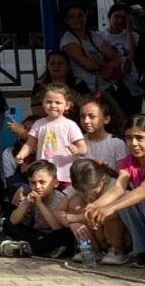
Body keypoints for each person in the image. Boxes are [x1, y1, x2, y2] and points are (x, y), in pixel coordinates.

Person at [85, 114, 145, 268]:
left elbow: (142, 190)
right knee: (125, 199)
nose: (134, 143)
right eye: (129, 138)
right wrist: (95, 205)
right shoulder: (128, 162)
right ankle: (142, 252)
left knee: (128, 200)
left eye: (139, 138)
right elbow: (118, 187)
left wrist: (110, 207)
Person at [55, 158, 130, 265]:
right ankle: (90, 250)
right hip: (96, 235)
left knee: (108, 214)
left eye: (92, 189)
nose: (87, 194)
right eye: (82, 191)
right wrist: (73, 224)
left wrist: (76, 218)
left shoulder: (112, 186)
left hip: (116, 235)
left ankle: (118, 251)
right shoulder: (77, 188)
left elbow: (106, 212)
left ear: (102, 180)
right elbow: (57, 211)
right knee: (75, 205)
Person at [16, 83, 88, 189]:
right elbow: (30, 144)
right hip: (44, 174)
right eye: (49, 102)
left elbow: (83, 147)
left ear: (67, 105)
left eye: (58, 102)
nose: (53, 105)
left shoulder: (70, 125)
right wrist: (22, 154)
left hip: (66, 174)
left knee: (65, 200)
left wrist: (77, 150)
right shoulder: (39, 123)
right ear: (43, 103)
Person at [0, 160, 75, 259]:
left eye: (42, 182)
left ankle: (28, 249)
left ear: (55, 183)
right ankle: (32, 248)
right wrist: (25, 203)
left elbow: (57, 227)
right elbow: (13, 221)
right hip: (36, 234)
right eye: (33, 183)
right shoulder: (31, 195)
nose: (37, 187)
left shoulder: (61, 199)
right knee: (7, 224)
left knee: (64, 235)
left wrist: (40, 204)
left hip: (54, 234)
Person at [61, 4, 120, 94]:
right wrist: (106, 66)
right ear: (66, 20)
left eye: (80, 15)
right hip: (85, 91)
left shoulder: (94, 36)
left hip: (107, 87)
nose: (77, 19)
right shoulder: (68, 40)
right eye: (72, 17)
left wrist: (103, 66)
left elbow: (115, 58)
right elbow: (88, 65)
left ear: (86, 17)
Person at [100, 3, 144, 117]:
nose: (120, 20)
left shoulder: (133, 36)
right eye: (116, 17)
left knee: (133, 116)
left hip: (131, 83)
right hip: (110, 83)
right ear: (110, 17)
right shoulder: (100, 36)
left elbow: (131, 55)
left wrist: (129, 31)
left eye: (123, 18)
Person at [30, 51, 91, 117]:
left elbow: (88, 107)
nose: (56, 66)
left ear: (68, 67)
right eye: (52, 64)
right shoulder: (40, 85)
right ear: (47, 67)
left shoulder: (79, 84)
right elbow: (36, 111)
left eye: (60, 63)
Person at [79, 94, 129, 170]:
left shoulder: (117, 144)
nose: (86, 121)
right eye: (83, 116)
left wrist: (104, 168)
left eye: (92, 117)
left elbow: (123, 175)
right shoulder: (78, 141)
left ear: (106, 119)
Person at [2, 115, 42, 193]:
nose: (24, 132)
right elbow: (10, 183)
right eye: (24, 127)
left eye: (30, 130)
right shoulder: (8, 153)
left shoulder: (44, 151)